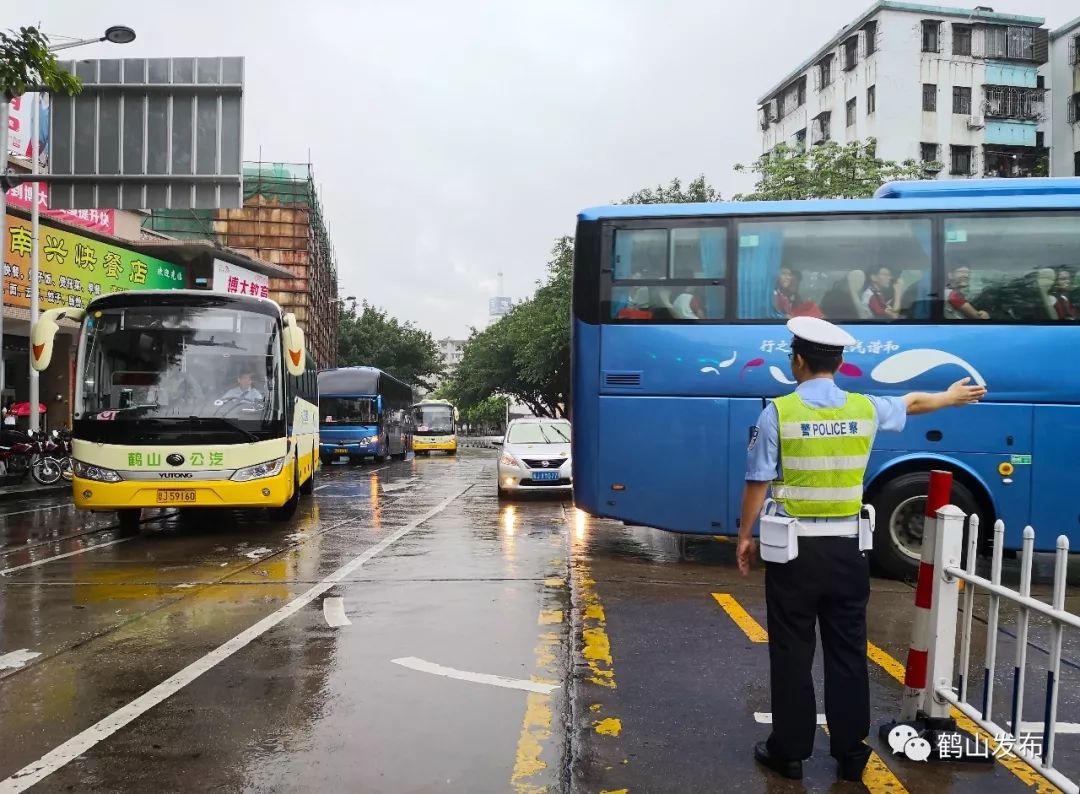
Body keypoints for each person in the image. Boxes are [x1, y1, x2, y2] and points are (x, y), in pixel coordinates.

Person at [738, 316, 986, 783]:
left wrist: (745, 536)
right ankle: (851, 753)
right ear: (840, 363)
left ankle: (789, 752)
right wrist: (951, 398)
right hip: (850, 551)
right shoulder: (864, 408)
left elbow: (758, 481)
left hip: (794, 556)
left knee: (792, 651)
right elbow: (911, 402)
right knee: (848, 651)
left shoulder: (779, 412)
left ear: (797, 360)